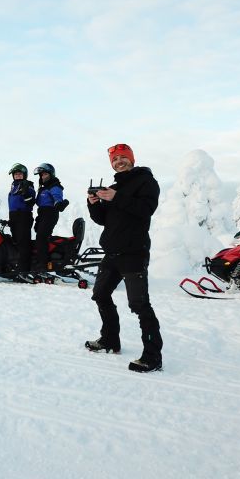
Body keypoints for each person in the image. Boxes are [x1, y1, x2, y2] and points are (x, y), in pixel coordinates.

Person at [84, 144, 163, 373]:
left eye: (123, 158)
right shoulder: (115, 186)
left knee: (139, 304)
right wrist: (94, 205)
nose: (119, 161)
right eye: (115, 159)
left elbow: (146, 209)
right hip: (112, 253)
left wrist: (117, 197)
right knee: (100, 294)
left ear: (132, 159)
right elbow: (104, 220)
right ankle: (110, 340)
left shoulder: (146, 181)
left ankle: (152, 356)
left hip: (133, 253)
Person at [32, 163, 69, 273]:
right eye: (41, 175)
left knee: (41, 237)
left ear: (51, 174)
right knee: (41, 236)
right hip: (42, 214)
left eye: (45, 174)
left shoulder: (54, 186)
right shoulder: (44, 188)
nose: (43, 176)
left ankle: (42, 265)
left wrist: (59, 203)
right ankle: (49, 260)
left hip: (50, 213)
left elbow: (57, 196)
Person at [7, 163, 36, 274]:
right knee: (16, 242)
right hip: (14, 217)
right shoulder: (13, 187)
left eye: (20, 174)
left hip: (23, 216)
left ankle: (24, 269)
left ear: (24, 175)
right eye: (16, 174)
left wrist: (25, 194)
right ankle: (16, 266)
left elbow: (31, 202)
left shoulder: (27, 185)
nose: (18, 176)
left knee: (23, 243)